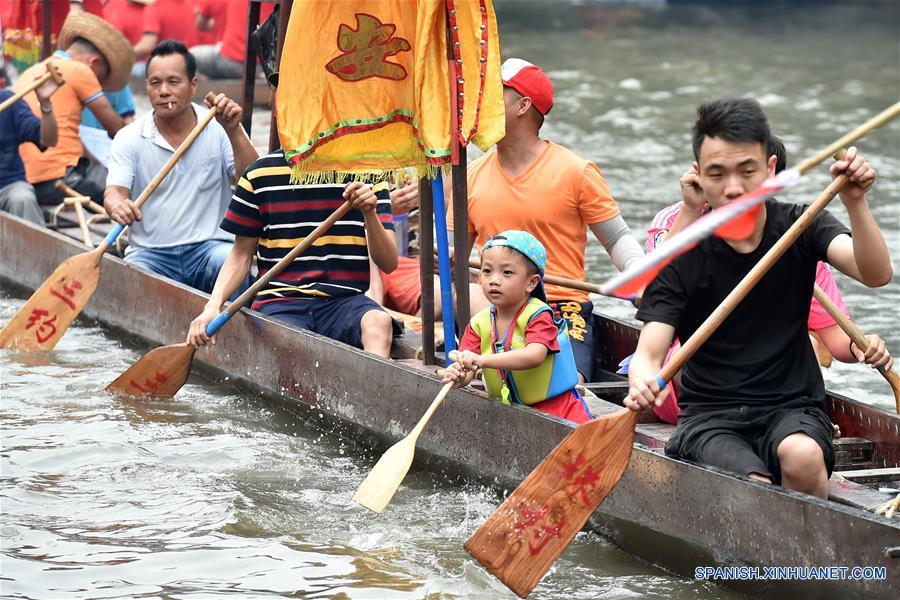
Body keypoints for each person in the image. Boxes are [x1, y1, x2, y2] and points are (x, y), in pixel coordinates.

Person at [625, 98, 893, 499]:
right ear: (699, 177)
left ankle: (809, 558)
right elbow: (649, 352)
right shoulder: (682, 255)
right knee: (750, 485)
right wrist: (643, 379)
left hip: (794, 408)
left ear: (770, 170)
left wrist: (856, 203)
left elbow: (875, 274)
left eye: (747, 171)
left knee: (801, 455)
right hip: (710, 418)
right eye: (718, 173)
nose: (733, 187)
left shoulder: (803, 225)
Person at [640, 137, 893, 424]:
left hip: (768, 393)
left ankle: (799, 424)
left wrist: (860, 346)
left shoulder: (795, 233)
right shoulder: (676, 221)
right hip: (691, 382)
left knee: (805, 346)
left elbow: (835, 336)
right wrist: (690, 211)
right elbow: (649, 297)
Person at [454, 58, 645, 382]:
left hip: (561, 308)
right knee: (470, 297)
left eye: (492, 96)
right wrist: (440, 254)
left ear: (523, 105)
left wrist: (642, 279)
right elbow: (451, 250)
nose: (479, 105)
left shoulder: (575, 171)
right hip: (497, 309)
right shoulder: (472, 175)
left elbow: (616, 240)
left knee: (565, 385)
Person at [184, 151, 399, 357]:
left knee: (379, 321)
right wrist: (213, 305)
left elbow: (388, 263)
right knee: (289, 341)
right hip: (280, 301)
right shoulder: (258, 175)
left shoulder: (369, 174)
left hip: (344, 301)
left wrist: (369, 213)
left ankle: (376, 392)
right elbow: (240, 257)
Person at [103, 40, 258, 293]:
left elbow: (252, 182)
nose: (164, 91)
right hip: (151, 254)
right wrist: (118, 206)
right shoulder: (129, 137)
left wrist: (234, 131)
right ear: (147, 88)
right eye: (155, 83)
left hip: (210, 249)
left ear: (193, 85)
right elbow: (114, 193)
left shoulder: (220, 127)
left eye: (173, 82)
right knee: (128, 281)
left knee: (227, 265)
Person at [442, 231, 591, 424]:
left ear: (531, 282)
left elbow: (534, 355)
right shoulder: (479, 323)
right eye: (487, 271)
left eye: (507, 273)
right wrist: (458, 376)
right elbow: (468, 369)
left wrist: (482, 360)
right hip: (514, 414)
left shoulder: (539, 315)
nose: (494, 280)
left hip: (560, 411)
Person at [13, 10, 132, 206]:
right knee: (129, 187)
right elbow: (118, 129)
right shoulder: (80, 70)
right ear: (94, 62)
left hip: (25, 178)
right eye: (101, 78)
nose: (100, 84)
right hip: (60, 178)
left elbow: (71, 141)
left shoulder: (33, 71)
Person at [0, 64, 60, 225]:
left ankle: (36, 250)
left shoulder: (8, 100)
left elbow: (48, 140)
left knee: (23, 199)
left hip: (7, 187)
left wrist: (46, 104)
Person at [190, 0, 274, 80]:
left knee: (189, 56)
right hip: (266, 65)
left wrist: (212, 24)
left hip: (233, 61)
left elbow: (199, 22)